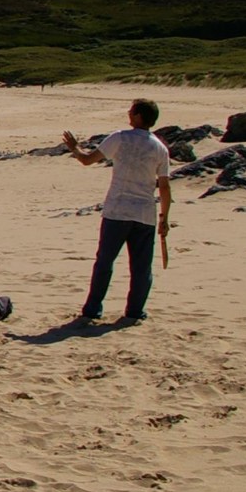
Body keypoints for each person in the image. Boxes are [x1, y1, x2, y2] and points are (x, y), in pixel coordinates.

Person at [62, 98, 172, 324]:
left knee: (104, 262)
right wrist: (164, 217)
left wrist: (74, 148)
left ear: (139, 116)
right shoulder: (160, 148)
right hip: (144, 213)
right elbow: (164, 187)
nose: (129, 114)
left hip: (118, 210)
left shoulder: (120, 137)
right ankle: (135, 311)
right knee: (141, 267)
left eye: (132, 111)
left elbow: (87, 160)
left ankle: (92, 309)